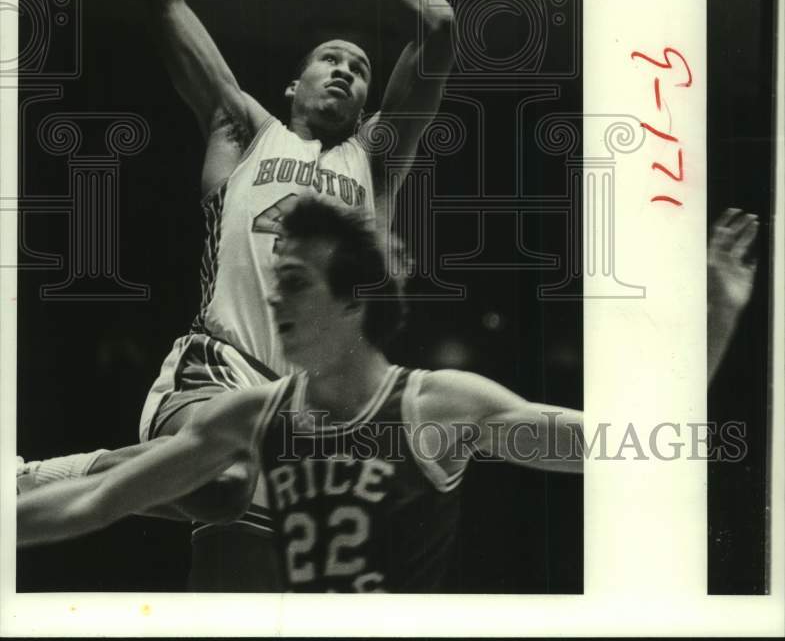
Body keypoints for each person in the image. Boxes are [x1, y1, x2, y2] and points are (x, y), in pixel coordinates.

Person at [18, 201, 759, 592]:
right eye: (275, 284)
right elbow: (95, 503)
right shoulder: (251, 414)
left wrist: (718, 316)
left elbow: (626, 453)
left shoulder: (439, 408)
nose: (274, 305)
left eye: (296, 285)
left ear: (354, 301)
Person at [137, 0, 454, 585]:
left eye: (359, 68)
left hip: (314, 407)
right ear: (292, 84)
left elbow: (437, 28)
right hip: (219, 368)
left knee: (295, 577)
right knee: (226, 481)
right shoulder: (242, 129)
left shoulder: (372, 161)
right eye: (329, 59)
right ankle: (56, 480)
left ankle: (120, 484)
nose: (345, 69)